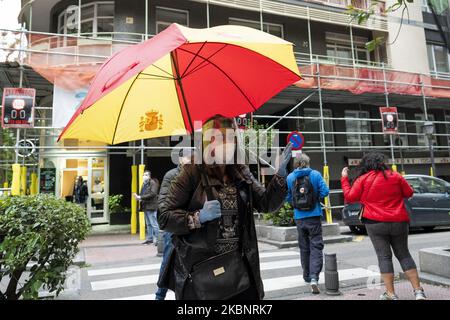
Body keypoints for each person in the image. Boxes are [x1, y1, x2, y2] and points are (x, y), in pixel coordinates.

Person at [158, 115, 292, 300]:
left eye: (230, 138)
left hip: (239, 268)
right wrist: (198, 217)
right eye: (218, 139)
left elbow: (266, 203)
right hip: (202, 272)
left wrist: (280, 177)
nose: (226, 144)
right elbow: (164, 217)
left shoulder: (240, 170)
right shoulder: (191, 171)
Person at [340, 152, 426, 300]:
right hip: (399, 220)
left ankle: (391, 294)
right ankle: (418, 291)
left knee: (384, 257)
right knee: (404, 254)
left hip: (375, 222)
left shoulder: (362, 179)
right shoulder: (395, 176)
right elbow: (409, 193)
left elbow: (350, 197)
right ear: (382, 163)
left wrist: (344, 179)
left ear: (366, 164)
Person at [285, 153, 329, 294]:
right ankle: (314, 278)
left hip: (299, 217)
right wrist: (315, 199)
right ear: (308, 162)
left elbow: (287, 197)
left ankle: (307, 276)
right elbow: (325, 191)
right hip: (314, 216)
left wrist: (296, 204)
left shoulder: (290, 177)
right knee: (316, 246)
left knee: (304, 247)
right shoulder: (315, 174)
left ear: (296, 164)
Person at [155, 148, 194, 300]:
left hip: (191, 225)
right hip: (174, 227)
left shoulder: (196, 176)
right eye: (188, 158)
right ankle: (159, 296)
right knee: (168, 261)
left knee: (190, 265)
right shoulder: (171, 175)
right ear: (180, 160)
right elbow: (163, 202)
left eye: (194, 158)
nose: (191, 161)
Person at [133, 170, 160, 245]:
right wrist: (138, 197)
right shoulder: (144, 184)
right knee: (148, 224)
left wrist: (140, 197)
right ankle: (150, 239)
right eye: (144, 175)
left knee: (153, 223)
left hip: (151, 206)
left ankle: (159, 240)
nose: (144, 176)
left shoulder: (152, 183)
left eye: (146, 175)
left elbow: (153, 194)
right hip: (145, 206)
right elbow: (143, 193)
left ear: (149, 176)